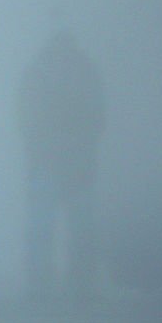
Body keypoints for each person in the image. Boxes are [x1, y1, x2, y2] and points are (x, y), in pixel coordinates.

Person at [17, 27, 106, 299]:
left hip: (54, 159)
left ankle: (45, 285)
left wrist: (35, 145)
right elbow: (99, 115)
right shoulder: (85, 72)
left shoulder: (38, 73)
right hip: (70, 160)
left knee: (48, 226)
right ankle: (73, 285)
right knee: (69, 224)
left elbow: (23, 114)